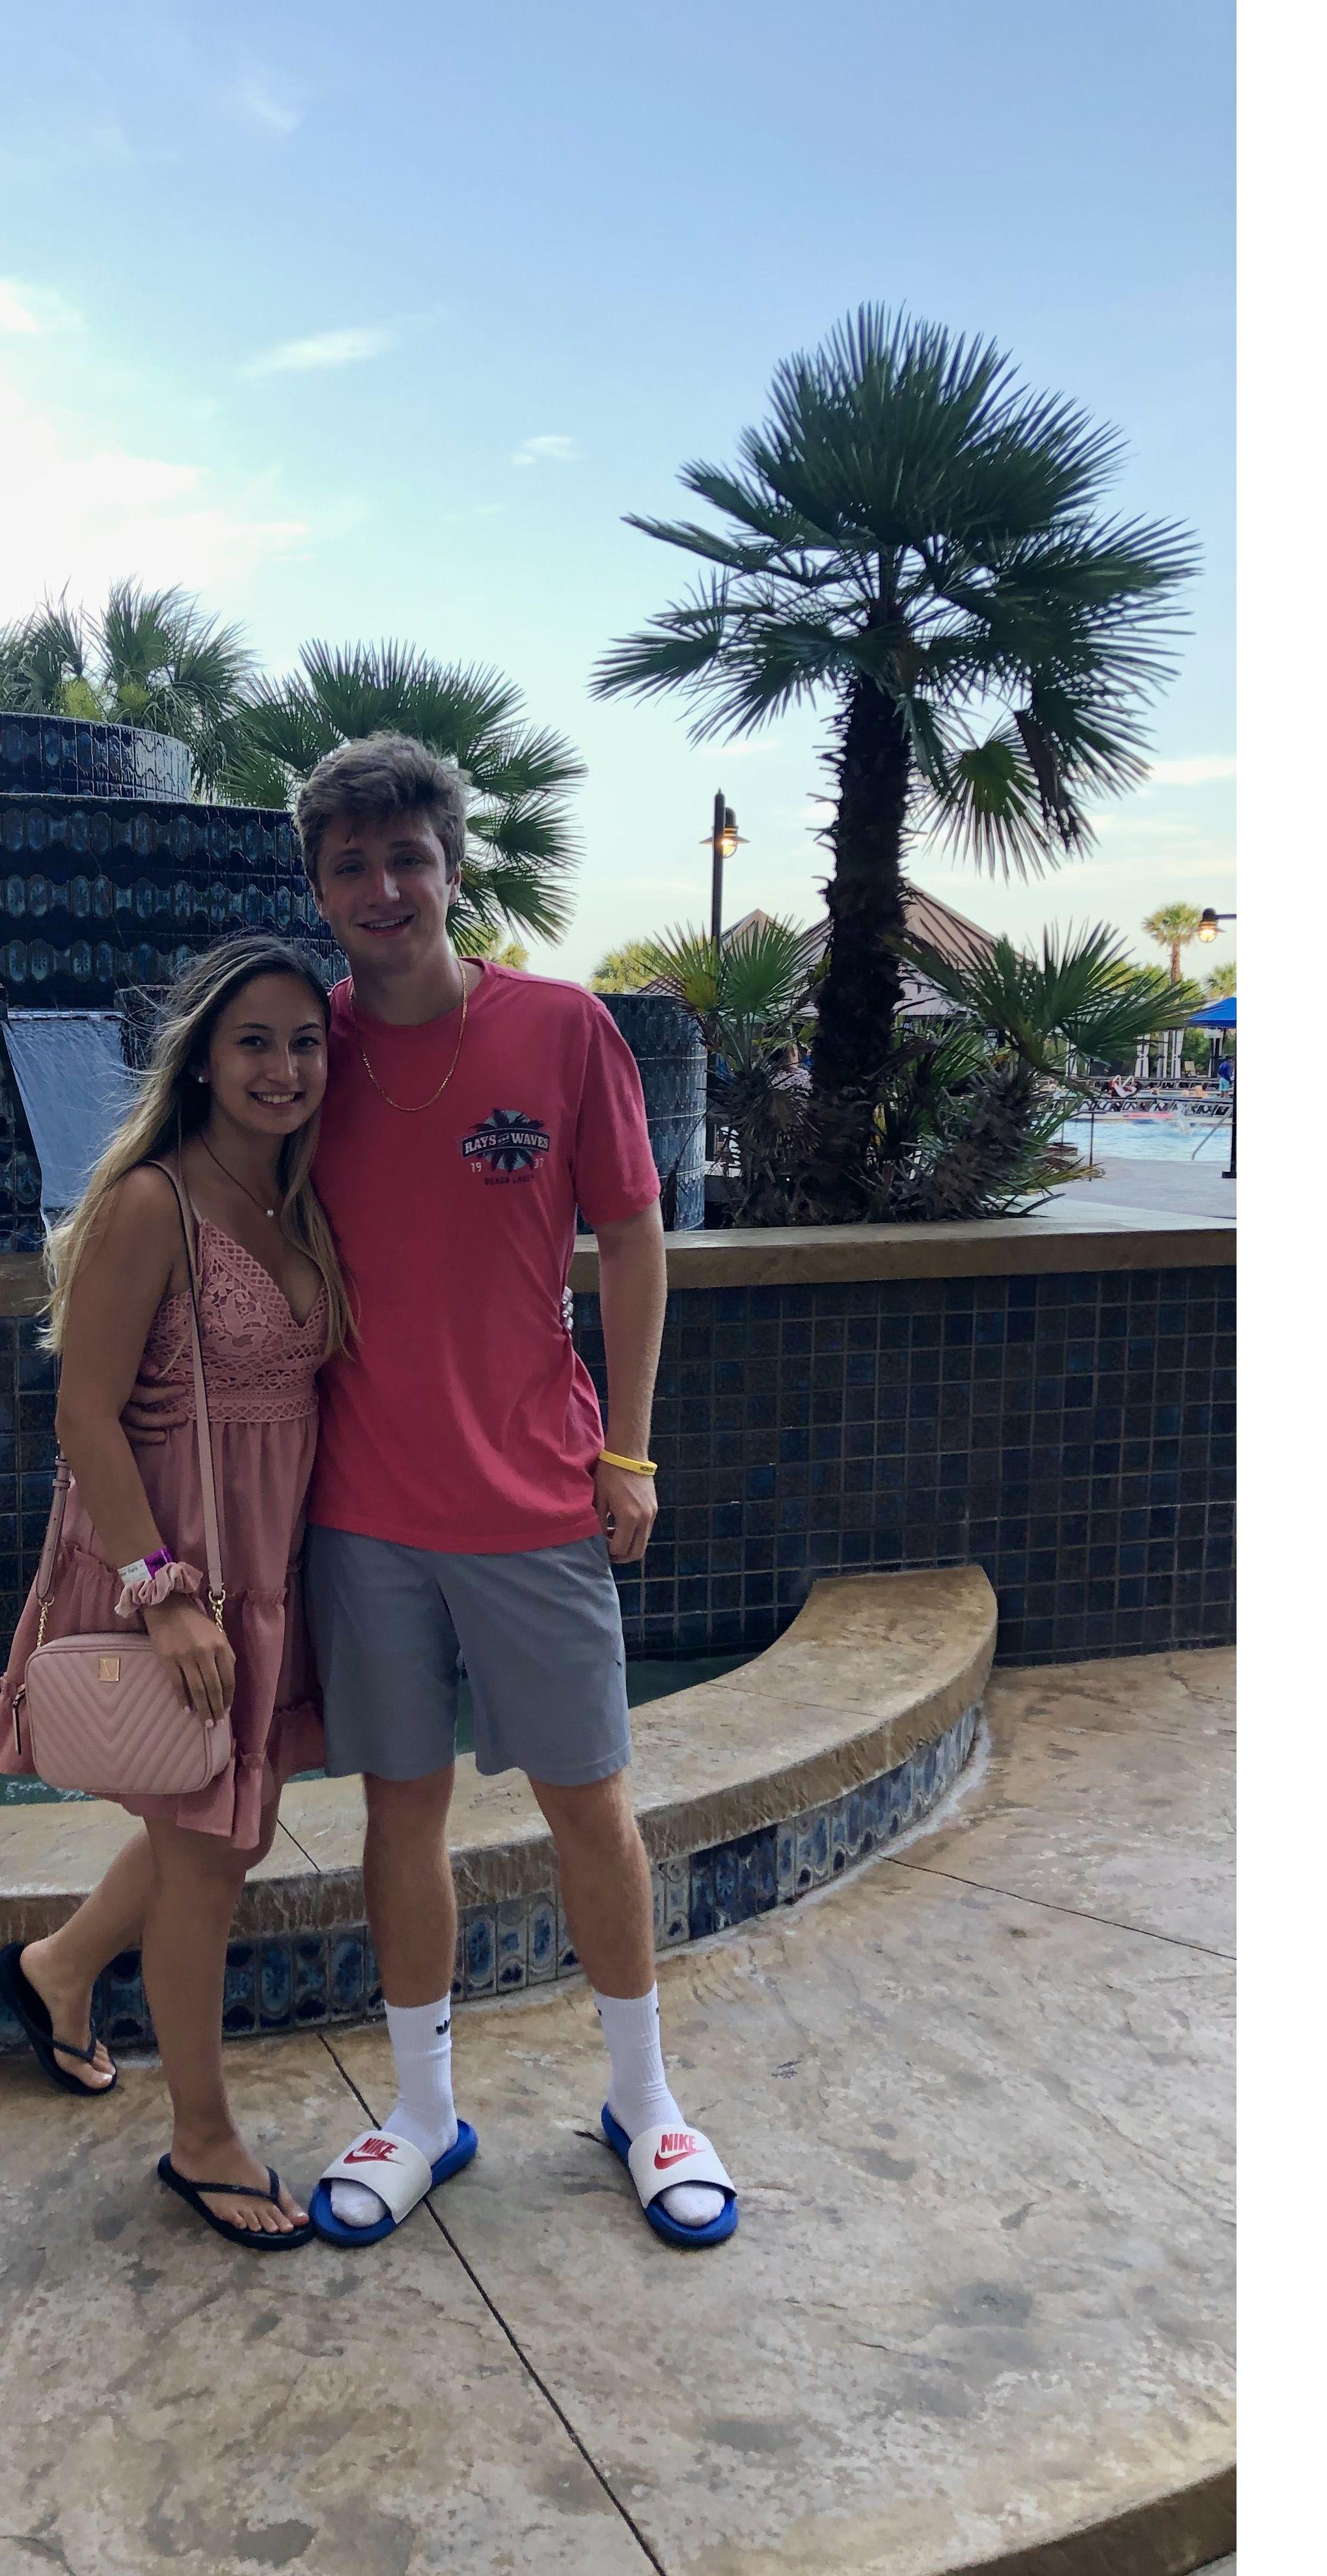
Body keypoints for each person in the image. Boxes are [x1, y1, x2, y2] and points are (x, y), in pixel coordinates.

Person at [293, 734, 737, 2252]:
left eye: (406, 857)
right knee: (399, 1812)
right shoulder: (303, 1054)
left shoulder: (560, 1030)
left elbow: (634, 1234)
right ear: (321, 890)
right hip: (362, 1505)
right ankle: (423, 2112)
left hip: (537, 1493)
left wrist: (631, 1449)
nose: (382, 888)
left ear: (453, 867)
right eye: (350, 865)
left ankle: (646, 2101)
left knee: (589, 1804)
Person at [0, 934, 353, 2251]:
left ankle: (57, 1970)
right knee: (209, 1861)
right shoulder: (154, 1203)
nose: (283, 1068)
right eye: (254, 1042)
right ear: (199, 1061)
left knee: (226, 1829)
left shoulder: (298, 1196)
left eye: (304, 1043)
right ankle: (202, 2140)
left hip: (270, 1565)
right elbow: (83, 1415)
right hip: (176, 1566)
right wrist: (164, 1595)